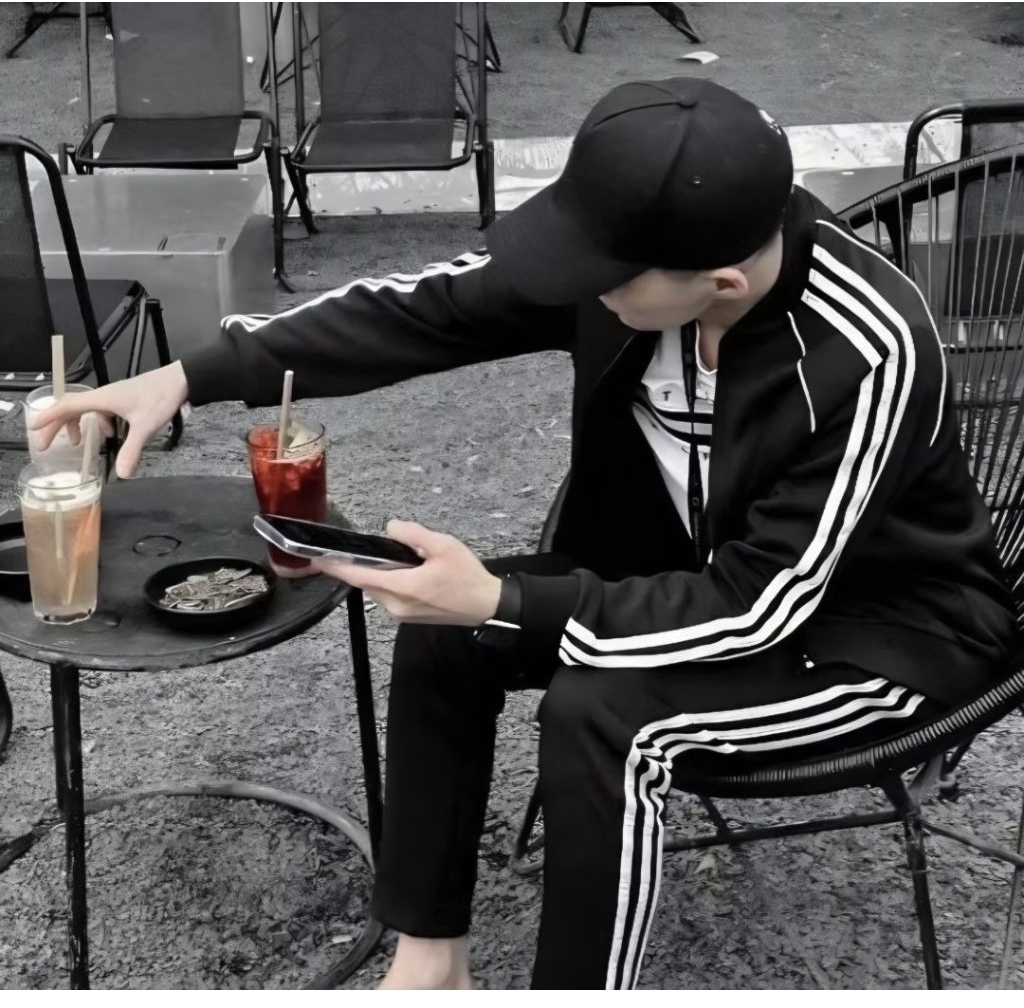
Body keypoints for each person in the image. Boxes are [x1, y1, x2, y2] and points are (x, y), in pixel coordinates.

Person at [35, 78, 1016, 990]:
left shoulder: (868, 349)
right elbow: (427, 308)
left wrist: (506, 598)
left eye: (600, 275)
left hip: (869, 633)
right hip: (683, 569)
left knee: (605, 716)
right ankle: (432, 964)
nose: (573, 284)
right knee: (446, 628)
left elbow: (761, 607)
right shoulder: (634, 257)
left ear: (720, 283)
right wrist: (191, 374)